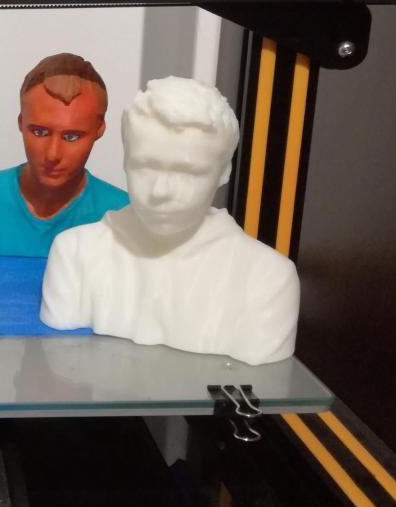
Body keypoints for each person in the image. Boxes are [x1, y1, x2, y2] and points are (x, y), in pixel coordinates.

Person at [40, 76, 299, 366]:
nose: (160, 192)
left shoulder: (267, 278)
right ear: (125, 160)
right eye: (145, 167)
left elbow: (262, 375)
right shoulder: (76, 253)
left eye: (189, 172)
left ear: (224, 172)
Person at [0, 53, 129, 257]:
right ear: (21, 123)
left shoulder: (124, 215)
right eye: (39, 132)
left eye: (71, 137)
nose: (52, 154)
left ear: (99, 129)